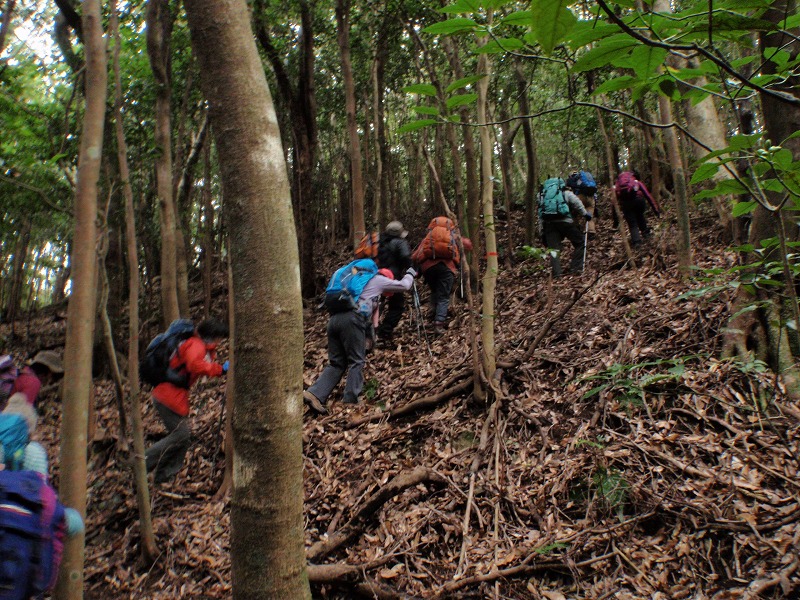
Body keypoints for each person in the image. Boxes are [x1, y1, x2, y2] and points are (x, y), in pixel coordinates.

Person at [304, 263, 417, 415]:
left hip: (334, 321)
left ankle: (315, 394)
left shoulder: (362, 287)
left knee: (337, 363)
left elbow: (374, 321)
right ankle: (351, 401)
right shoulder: (378, 280)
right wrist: (410, 273)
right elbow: (404, 286)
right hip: (351, 321)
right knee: (357, 361)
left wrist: (372, 336)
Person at [145, 318, 229, 484]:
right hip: (167, 397)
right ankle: (142, 463)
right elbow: (194, 365)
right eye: (219, 338)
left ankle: (164, 476)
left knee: (183, 439)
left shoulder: (198, 345)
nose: (220, 342)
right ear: (212, 336)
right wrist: (220, 369)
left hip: (174, 397)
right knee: (181, 435)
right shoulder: (195, 345)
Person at [411, 217, 473, 334]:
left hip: (428, 269)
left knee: (435, 291)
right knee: (443, 296)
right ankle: (439, 323)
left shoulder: (428, 238)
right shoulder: (452, 236)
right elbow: (468, 245)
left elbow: (415, 256)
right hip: (446, 268)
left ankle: (433, 314)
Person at [538, 178, 593, 277]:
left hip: (549, 224)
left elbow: (540, 215)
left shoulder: (542, 196)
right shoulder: (565, 193)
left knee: (554, 250)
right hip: (565, 222)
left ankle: (557, 274)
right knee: (580, 242)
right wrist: (585, 214)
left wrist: (541, 231)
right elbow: (577, 203)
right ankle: (575, 269)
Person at [375, 220, 412, 343]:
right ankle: (385, 331)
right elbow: (406, 257)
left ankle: (372, 330)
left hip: (376, 278)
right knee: (397, 306)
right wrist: (410, 269)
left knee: (376, 304)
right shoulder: (400, 242)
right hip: (393, 278)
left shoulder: (378, 242)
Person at [614, 170, 661, 246]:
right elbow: (648, 195)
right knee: (640, 215)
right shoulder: (636, 182)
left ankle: (637, 242)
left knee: (632, 223)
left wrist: (615, 220)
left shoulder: (618, 185)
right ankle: (645, 233)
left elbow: (614, 203)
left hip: (626, 204)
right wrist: (656, 210)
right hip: (639, 201)